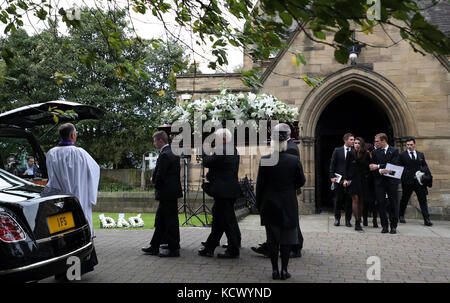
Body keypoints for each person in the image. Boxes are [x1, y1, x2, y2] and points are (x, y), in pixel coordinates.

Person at [41, 123, 100, 278]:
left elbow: (51, 179)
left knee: (61, 235)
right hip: (77, 201)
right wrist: (90, 195)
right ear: (72, 135)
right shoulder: (80, 153)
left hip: (58, 203)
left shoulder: (52, 153)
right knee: (77, 235)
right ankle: (75, 272)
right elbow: (94, 172)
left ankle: (61, 271)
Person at [256, 128, 306, 280]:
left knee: (272, 240)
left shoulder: (265, 160)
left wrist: (260, 205)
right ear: (285, 143)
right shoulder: (293, 160)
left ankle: (274, 270)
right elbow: (301, 180)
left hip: (270, 203)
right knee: (287, 239)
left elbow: (260, 186)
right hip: (288, 202)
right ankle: (284, 270)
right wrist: (290, 187)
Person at [198, 128, 242, 258]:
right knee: (219, 220)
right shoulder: (232, 149)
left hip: (224, 192)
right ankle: (210, 248)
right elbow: (221, 168)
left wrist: (205, 150)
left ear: (223, 139)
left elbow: (207, 162)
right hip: (228, 191)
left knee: (226, 222)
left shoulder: (222, 149)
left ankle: (232, 250)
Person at [142, 130, 183, 257]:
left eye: (155, 141)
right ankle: (155, 245)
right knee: (161, 220)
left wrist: (154, 181)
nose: (154, 143)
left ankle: (174, 248)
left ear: (160, 140)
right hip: (171, 192)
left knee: (169, 221)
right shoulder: (173, 152)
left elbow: (161, 173)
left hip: (166, 193)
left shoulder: (165, 154)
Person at [369, 133, 401, 234]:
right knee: (381, 203)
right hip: (380, 182)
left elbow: (393, 165)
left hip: (391, 182)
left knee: (393, 203)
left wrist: (379, 166)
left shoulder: (394, 151)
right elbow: (371, 167)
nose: (375, 143)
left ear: (383, 141)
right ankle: (384, 226)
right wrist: (380, 170)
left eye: (377, 141)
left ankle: (393, 226)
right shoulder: (374, 152)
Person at [398, 138, 433, 226]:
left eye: (411, 144)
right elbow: (399, 168)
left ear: (414, 144)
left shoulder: (420, 155)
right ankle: (401, 215)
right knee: (405, 199)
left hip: (419, 182)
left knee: (423, 200)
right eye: (408, 145)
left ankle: (426, 219)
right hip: (407, 181)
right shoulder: (402, 155)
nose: (409, 146)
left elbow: (425, 166)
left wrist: (427, 177)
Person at [343, 137, 371, 231]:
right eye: (355, 143)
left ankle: (359, 218)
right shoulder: (350, 153)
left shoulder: (366, 154)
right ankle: (357, 222)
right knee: (355, 200)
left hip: (363, 180)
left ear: (361, 144)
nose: (356, 145)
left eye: (358, 143)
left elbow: (368, 168)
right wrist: (345, 179)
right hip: (353, 180)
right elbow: (346, 167)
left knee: (361, 201)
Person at [329, 133, 354, 227]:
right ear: (345, 140)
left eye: (353, 140)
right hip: (338, 179)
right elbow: (332, 163)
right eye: (351, 140)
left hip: (350, 180)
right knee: (338, 200)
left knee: (349, 201)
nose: (353, 141)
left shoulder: (355, 151)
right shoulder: (337, 150)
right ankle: (337, 219)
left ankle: (348, 220)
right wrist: (331, 176)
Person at [362, 143, 378, 228]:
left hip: (375, 181)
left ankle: (375, 220)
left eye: (368, 151)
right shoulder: (364, 158)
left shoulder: (376, 156)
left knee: (375, 202)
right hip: (366, 182)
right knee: (365, 202)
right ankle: (365, 219)